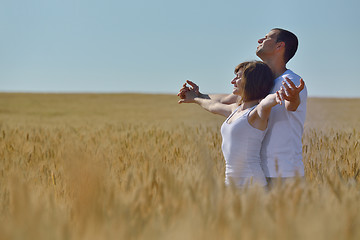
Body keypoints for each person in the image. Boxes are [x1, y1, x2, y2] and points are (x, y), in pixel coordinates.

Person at [178, 28, 307, 184]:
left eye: (266, 38)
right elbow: (225, 100)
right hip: (259, 170)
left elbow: (291, 105)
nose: (260, 40)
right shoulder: (261, 83)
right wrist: (198, 95)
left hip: (283, 173)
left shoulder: (290, 81)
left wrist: (293, 98)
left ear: (279, 46)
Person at [180, 61, 283, 187]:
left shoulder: (256, 113)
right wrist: (195, 98)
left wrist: (278, 95)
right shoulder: (235, 109)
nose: (233, 81)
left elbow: (266, 102)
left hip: (252, 186)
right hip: (231, 184)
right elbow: (213, 105)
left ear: (251, 81)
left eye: (238, 77)